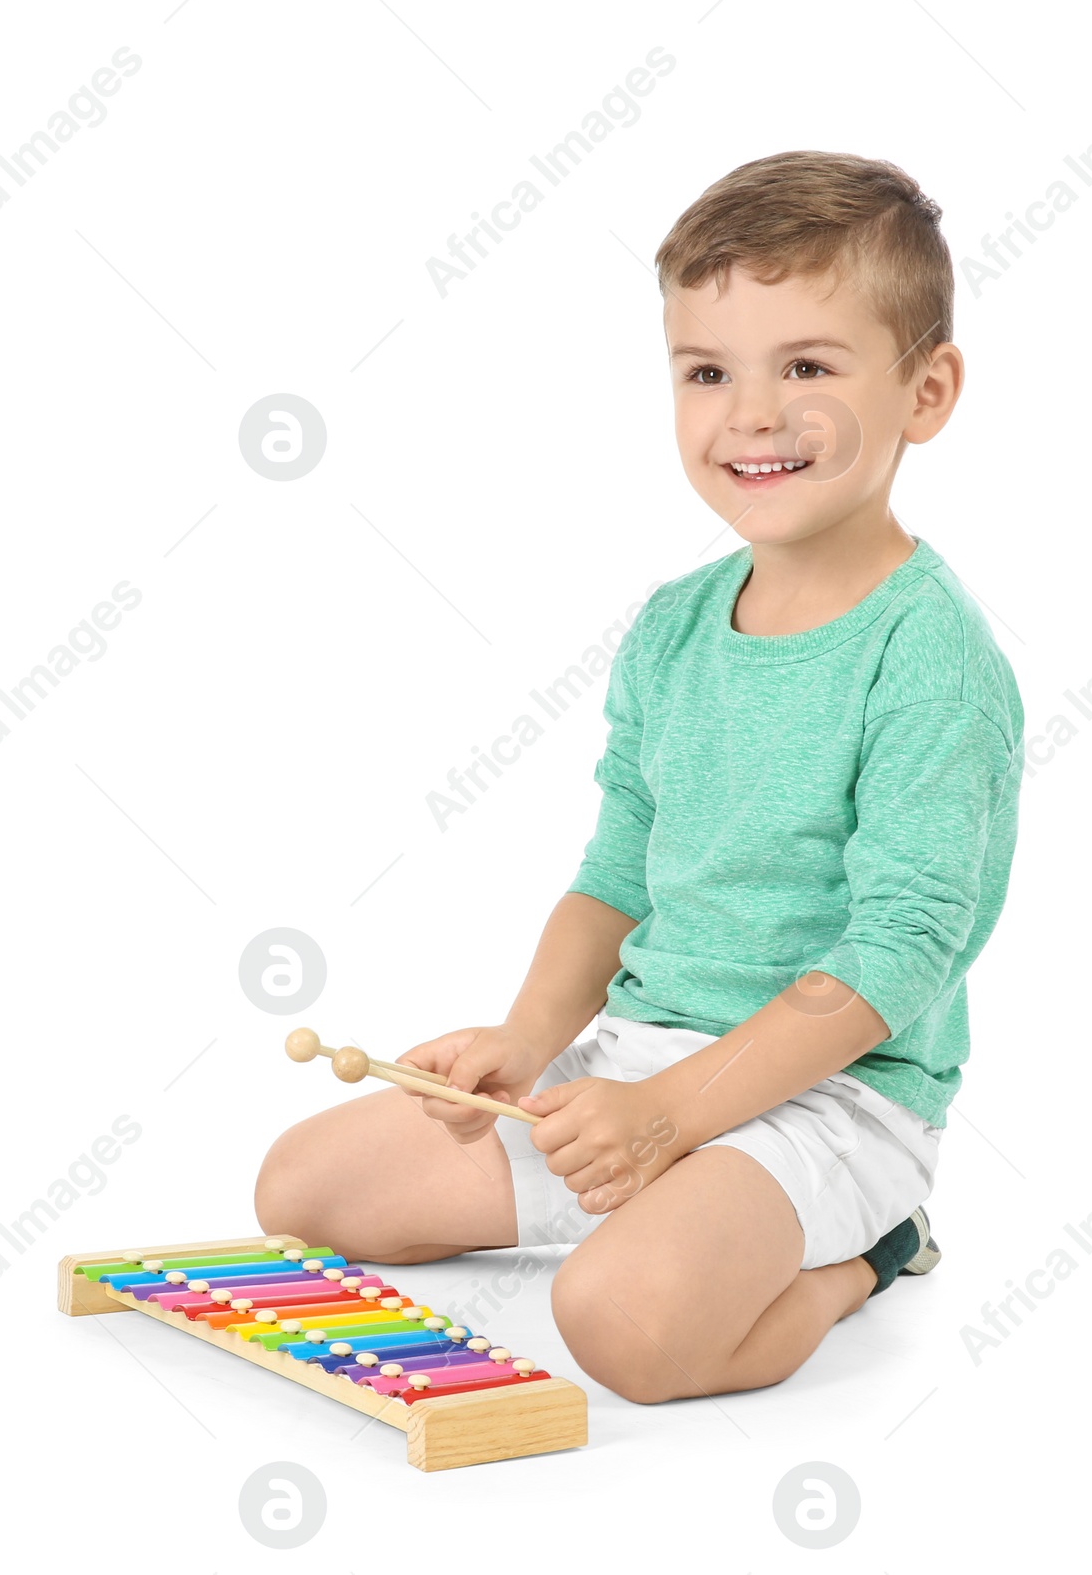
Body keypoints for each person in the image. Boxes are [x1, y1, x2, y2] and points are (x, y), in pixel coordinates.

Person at [256, 151, 1023, 1403]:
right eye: (708, 371)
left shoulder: (928, 655)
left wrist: (678, 1112)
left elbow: (900, 951)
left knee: (622, 1324)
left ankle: (866, 1257)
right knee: (306, 1189)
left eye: (809, 367)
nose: (751, 414)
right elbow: (614, 876)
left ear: (926, 391)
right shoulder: (674, 626)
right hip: (635, 1070)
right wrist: (526, 1040)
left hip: (828, 1098)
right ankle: (671, 1209)